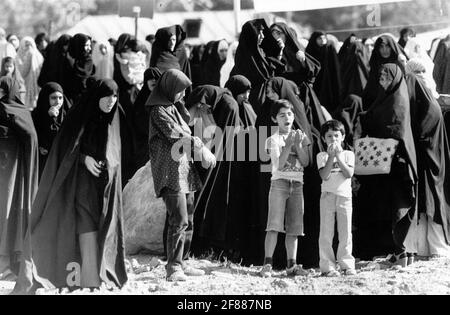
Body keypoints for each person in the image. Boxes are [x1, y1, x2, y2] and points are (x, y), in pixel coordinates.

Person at [13, 79, 128, 294]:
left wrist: (109, 165)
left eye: (115, 96)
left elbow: (118, 151)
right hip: (79, 182)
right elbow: (67, 147)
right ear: (97, 97)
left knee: (102, 223)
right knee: (86, 225)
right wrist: (85, 159)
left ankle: (98, 274)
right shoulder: (80, 116)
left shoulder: (114, 117)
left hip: (103, 185)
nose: (111, 101)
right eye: (107, 96)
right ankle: (90, 279)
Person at [146, 69, 216, 282]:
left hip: (184, 172)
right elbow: (177, 133)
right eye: (180, 90)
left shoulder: (174, 108)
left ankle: (182, 262)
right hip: (169, 173)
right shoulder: (159, 111)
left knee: (189, 219)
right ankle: (173, 267)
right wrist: (200, 147)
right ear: (169, 88)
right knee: (179, 219)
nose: (183, 95)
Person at [355, 63, 417, 266]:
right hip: (383, 165)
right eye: (380, 78)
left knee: (396, 206)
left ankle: (400, 252)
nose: (383, 82)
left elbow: (395, 129)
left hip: (396, 163)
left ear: (396, 79)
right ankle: (393, 251)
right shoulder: (386, 98)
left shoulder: (398, 100)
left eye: (387, 78)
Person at [259, 99, 310, 277]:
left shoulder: (301, 136)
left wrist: (297, 144)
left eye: (289, 114)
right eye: (281, 115)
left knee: (295, 228)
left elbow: (305, 162)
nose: (286, 117)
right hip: (279, 183)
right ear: (275, 119)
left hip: (297, 184)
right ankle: (267, 264)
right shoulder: (272, 139)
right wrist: (288, 145)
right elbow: (279, 165)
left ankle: (292, 265)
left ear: (294, 116)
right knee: (273, 225)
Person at [405, 72, 450, 259]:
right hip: (427, 163)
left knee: (432, 202)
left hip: (431, 164)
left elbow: (423, 135)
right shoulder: (425, 105)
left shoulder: (429, 109)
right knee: (424, 203)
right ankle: (423, 248)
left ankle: (437, 248)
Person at [0, 76, 39, 281]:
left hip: (15, 173)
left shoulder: (13, 110)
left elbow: (31, 137)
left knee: (8, 214)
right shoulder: (11, 110)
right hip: (9, 173)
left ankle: (7, 264)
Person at [317, 120, 356, 276]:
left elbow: (349, 174)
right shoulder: (321, 155)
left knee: (345, 232)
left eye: (336, 136)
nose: (333, 139)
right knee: (326, 232)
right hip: (327, 196)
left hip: (345, 196)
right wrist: (330, 157)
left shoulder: (348, 154)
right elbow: (324, 175)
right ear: (323, 139)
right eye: (329, 136)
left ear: (343, 137)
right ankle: (327, 266)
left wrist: (338, 157)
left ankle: (346, 264)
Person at [231, 19, 283, 115]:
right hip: (252, 104)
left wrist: (278, 52)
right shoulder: (244, 57)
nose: (262, 36)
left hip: (266, 100)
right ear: (252, 34)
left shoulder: (261, 52)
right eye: (259, 32)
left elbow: (272, 71)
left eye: (263, 32)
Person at [32, 82, 71, 176]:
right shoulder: (36, 115)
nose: (58, 101)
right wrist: (50, 119)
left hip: (60, 161)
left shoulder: (66, 115)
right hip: (42, 162)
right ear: (46, 98)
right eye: (53, 98)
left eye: (60, 98)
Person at [362, 35, 407, 109]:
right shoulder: (375, 64)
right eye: (381, 47)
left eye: (387, 46)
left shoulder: (399, 62)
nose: (384, 50)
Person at [132, 67, 162, 172]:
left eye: (156, 78)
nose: (153, 80)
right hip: (144, 147)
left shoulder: (165, 100)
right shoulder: (140, 101)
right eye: (150, 78)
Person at [306, 31, 342, 113]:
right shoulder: (310, 50)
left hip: (329, 82)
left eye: (324, 38)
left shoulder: (329, 49)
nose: (322, 41)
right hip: (316, 83)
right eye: (319, 38)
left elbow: (335, 69)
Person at [64, 34, 95, 106]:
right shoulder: (69, 57)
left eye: (89, 45)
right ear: (79, 45)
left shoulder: (88, 60)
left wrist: (72, 64)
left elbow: (83, 76)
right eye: (86, 45)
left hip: (84, 98)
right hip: (69, 98)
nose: (89, 48)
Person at [16, 37, 44, 110]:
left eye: (30, 45)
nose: (28, 47)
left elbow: (23, 71)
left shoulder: (33, 54)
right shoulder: (19, 57)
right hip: (26, 85)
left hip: (34, 84)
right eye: (26, 45)